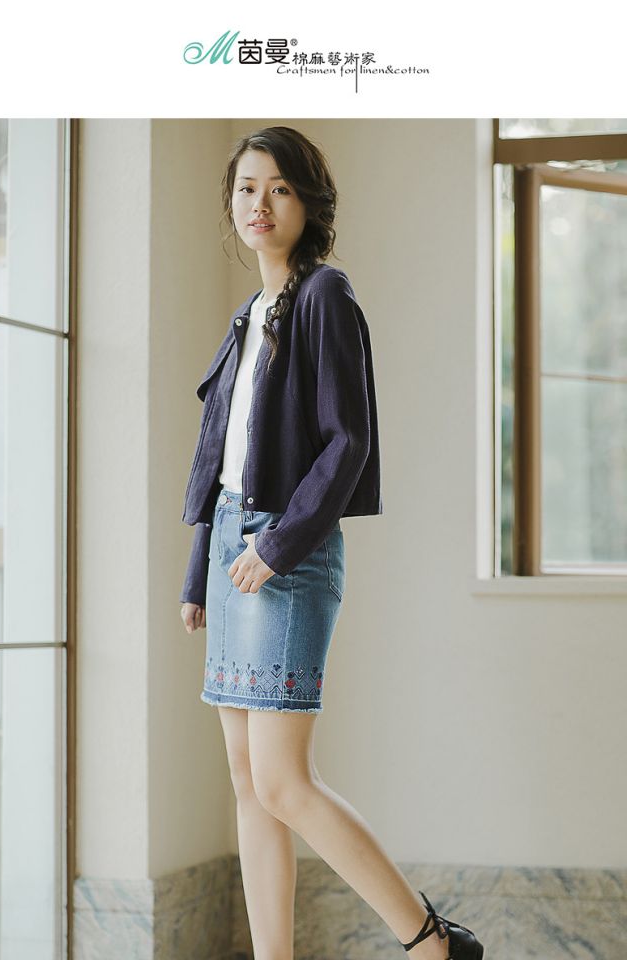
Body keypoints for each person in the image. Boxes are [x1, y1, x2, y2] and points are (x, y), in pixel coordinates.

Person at [179, 126, 485, 960]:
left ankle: (431, 941)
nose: (260, 203)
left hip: (285, 552)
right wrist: (200, 572)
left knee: (284, 781)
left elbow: (347, 442)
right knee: (250, 784)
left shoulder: (325, 296)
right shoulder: (249, 317)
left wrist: (275, 547)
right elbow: (220, 456)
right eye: (247, 188)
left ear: (308, 202)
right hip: (235, 549)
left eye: (279, 188)